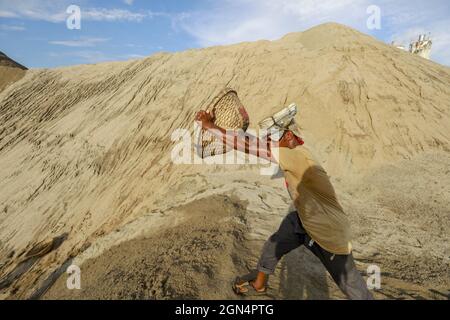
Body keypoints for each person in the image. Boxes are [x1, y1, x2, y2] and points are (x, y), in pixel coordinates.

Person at [195, 109, 373, 300]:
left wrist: (210, 127)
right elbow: (252, 143)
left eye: (272, 138)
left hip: (329, 234)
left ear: (288, 136)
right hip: (305, 218)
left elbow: (248, 146)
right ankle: (260, 283)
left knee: (352, 287)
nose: (269, 142)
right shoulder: (293, 147)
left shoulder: (296, 155)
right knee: (274, 243)